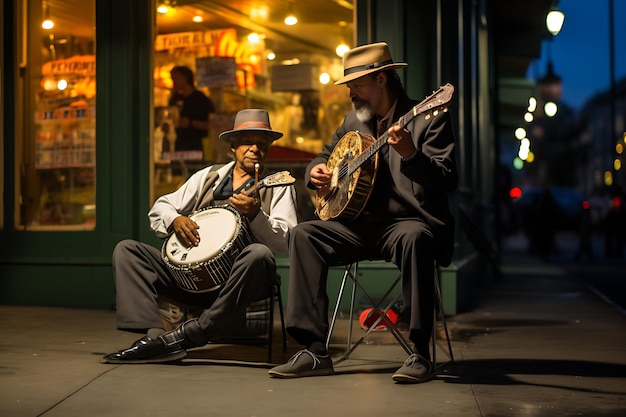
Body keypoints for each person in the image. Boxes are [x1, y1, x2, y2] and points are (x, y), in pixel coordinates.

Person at [268, 42, 458, 383]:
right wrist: (317, 172)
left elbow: (446, 178)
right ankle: (314, 350)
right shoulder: (355, 121)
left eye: (357, 85)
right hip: (357, 226)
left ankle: (419, 353)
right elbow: (324, 156)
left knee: (416, 237)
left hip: (406, 224)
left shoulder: (428, 117)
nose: (350, 93)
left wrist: (411, 154)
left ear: (382, 80)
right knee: (304, 234)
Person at [102, 109, 298, 364]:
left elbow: (285, 240)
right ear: (233, 147)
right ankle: (155, 337)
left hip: (240, 284)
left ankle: (195, 332)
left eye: (262, 144)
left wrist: (256, 215)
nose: (255, 148)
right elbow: (160, 207)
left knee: (259, 254)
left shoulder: (278, 185)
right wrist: (175, 219)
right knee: (127, 250)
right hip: (194, 278)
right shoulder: (208, 177)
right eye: (247, 142)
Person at [169, 65, 215, 158]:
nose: (174, 82)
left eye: (176, 78)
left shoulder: (200, 99)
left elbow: (212, 124)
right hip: (176, 145)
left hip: (195, 145)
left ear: (185, 78)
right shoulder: (174, 99)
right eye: (172, 79)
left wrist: (190, 123)